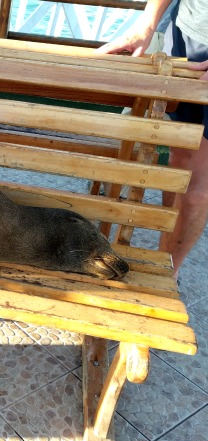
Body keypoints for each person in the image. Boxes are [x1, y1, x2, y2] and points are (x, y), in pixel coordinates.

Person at [97, 0, 208, 280]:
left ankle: (167, 275)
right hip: (188, 34)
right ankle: (164, 262)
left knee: (197, 193)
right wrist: (147, 23)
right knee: (177, 166)